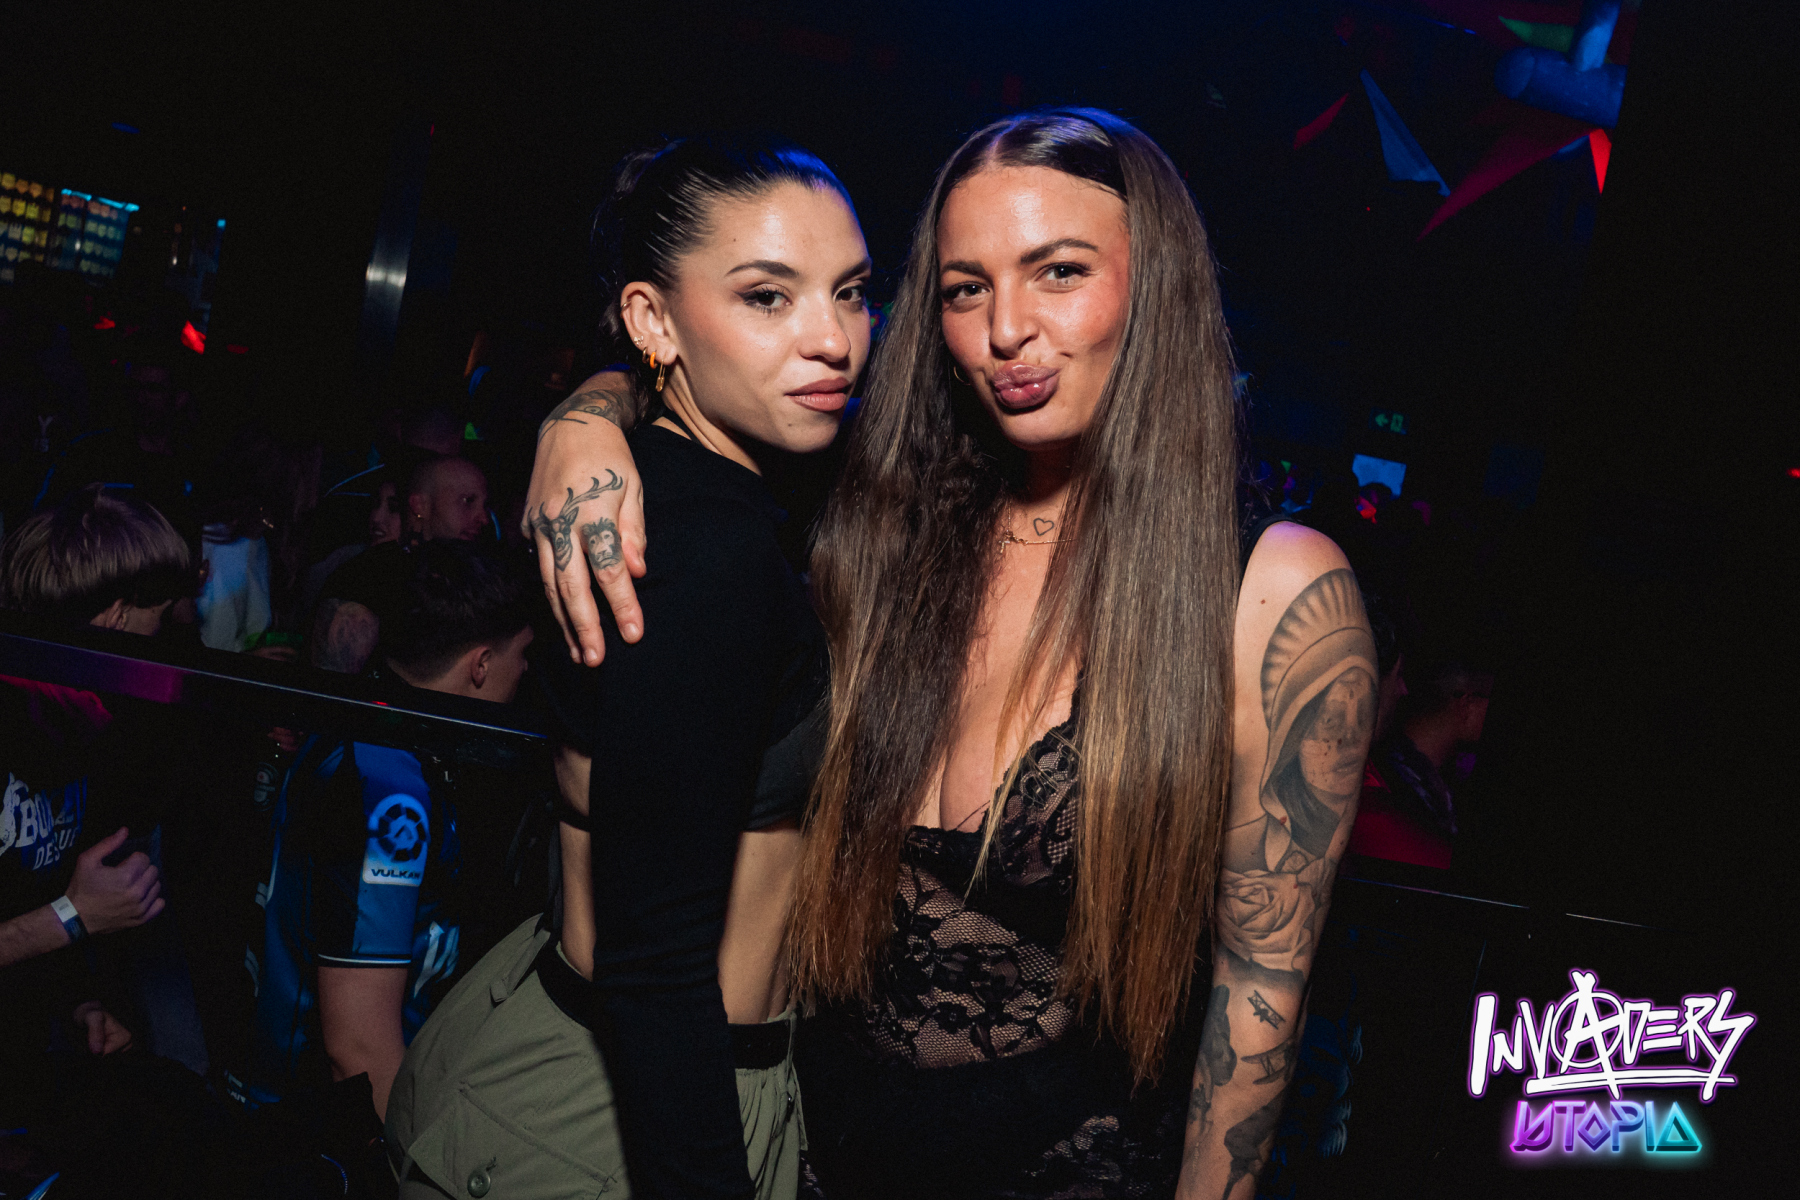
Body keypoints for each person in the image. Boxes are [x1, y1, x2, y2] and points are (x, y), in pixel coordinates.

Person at [525, 109, 1374, 1198]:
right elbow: (695, 381)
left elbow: (1261, 992)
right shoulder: (871, 509)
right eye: (967, 289)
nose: (1006, 329)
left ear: (1155, 283)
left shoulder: (1269, 590)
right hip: (803, 1147)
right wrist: (585, 420)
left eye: (1059, 271)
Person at [387, 135, 870, 1200]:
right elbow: (657, 964)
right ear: (652, 320)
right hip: (630, 1115)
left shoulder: (664, 486)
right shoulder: (701, 549)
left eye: (850, 291)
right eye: (767, 297)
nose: (833, 338)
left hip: (553, 1034)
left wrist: (592, 401)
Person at [231, 539, 534, 1132]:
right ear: (479, 664)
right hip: (316, 1124)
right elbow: (359, 1050)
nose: (525, 672)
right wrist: (412, 1167)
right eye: (521, 654)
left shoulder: (368, 720)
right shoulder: (390, 791)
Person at [0, 485, 186, 1112]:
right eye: (156, 622)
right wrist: (71, 916)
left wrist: (77, 1004)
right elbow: (55, 912)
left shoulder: (82, 724)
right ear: (113, 618)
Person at [1348, 650, 1491, 870]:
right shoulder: (1388, 782)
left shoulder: (1438, 775)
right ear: (1467, 704)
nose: (1402, 689)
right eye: (1488, 698)